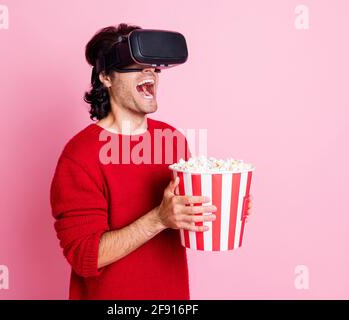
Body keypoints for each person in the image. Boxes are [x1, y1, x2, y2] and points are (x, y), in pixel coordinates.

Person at [49, 23, 253, 299]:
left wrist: (222, 208)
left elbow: (186, 221)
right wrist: (159, 218)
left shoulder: (172, 140)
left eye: (154, 67)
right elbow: (86, 256)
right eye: (136, 65)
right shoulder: (80, 156)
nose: (150, 74)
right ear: (106, 77)